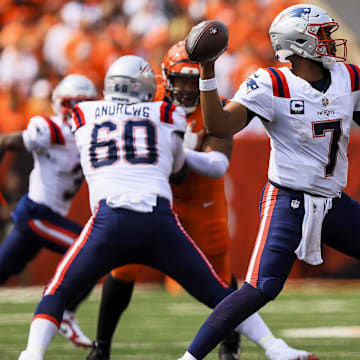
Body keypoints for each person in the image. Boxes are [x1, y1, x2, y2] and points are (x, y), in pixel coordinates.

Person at [18, 54, 312, 360]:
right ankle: (275, 347)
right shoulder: (166, 114)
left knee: (57, 290)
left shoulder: (83, 113)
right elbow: (178, 166)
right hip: (158, 221)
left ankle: (33, 354)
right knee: (218, 292)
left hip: (110, 221)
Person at [178, 3, 359, 360]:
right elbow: (219, 126)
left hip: (333, 203)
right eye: (322, 35)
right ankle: (190, 359)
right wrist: (208, 70)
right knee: (262, 287)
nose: (330, 42)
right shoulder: (271, 82)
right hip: (288, 201)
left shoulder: (348, 78)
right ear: (301, 43)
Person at [0, 74, 98, 348]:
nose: (75, 110)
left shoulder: (92, 135)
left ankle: (66, 312)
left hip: (41, 217)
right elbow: (5, 141)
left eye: (82, 104)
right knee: (91, 250)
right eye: (72, 104)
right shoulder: (51, 128)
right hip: (37, 214)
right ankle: (65, 313)